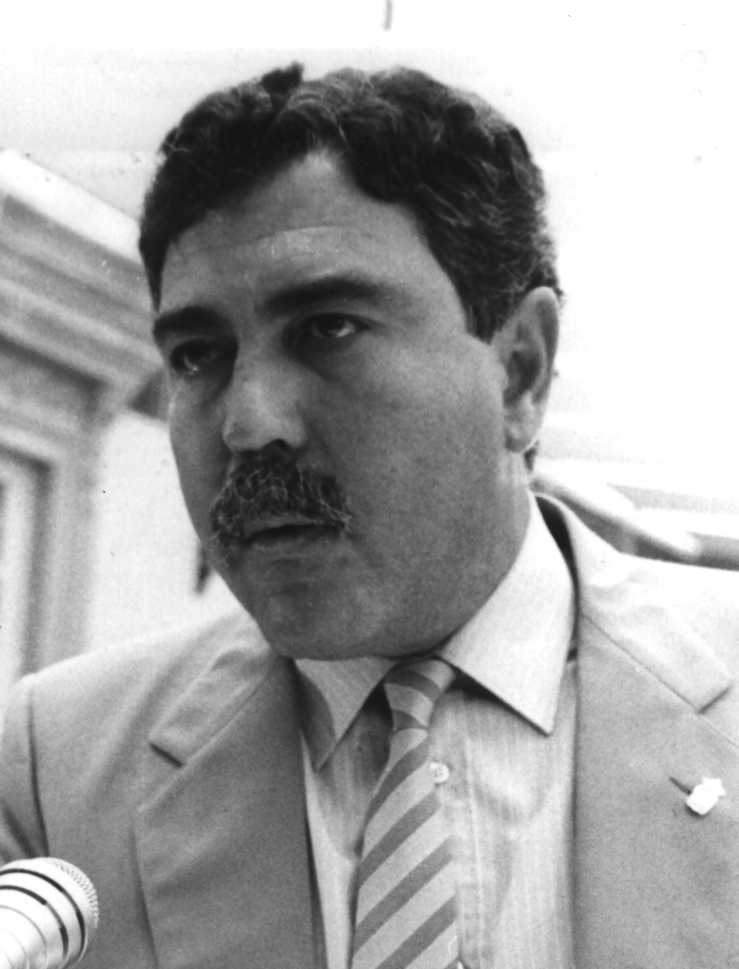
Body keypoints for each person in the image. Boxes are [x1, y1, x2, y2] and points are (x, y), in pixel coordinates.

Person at [0, 62, 737, 969]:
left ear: (519, 370)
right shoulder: (59, 768)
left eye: (329, 327)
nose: (248, 423)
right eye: (196, 354)